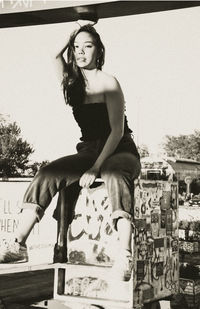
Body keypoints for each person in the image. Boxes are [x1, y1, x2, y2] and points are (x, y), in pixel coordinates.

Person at [0, 24, 141, 281]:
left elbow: (117, 131)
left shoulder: (109, 82)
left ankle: (124, 254)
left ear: (99, 51)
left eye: (88, 46)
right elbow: (54, 55)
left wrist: (95, 168)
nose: (81, 52)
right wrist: (74, 31)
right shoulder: (72, 83)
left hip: (119, 148)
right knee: (47, 173)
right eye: (76, 47)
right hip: (88, 149)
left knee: (113, 174)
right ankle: (19, 244)